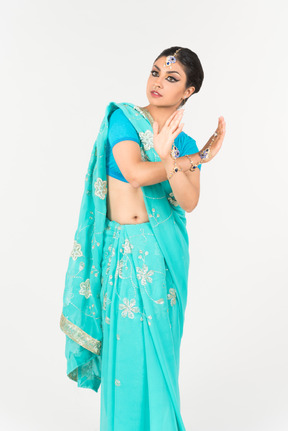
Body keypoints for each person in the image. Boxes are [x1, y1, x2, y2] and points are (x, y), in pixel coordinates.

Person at [59, 46, 226, 430]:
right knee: (127, 353)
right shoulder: (124, 121)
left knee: (160, 354)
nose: (157, 83)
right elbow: (134, 172)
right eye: (155, 73)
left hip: (162, 258)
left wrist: (181, 156)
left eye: (171, 79)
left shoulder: (184, 140)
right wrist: (183, 161)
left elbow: (189, 200)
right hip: (121, 252)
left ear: (189, 91)